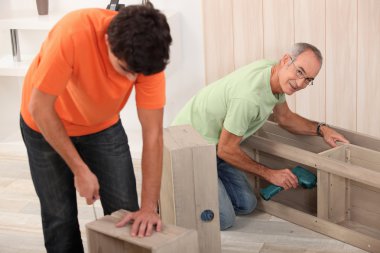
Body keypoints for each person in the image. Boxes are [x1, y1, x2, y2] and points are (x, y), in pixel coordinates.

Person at [20, 3, 172, 252]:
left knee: (126, 210)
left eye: (138, 74)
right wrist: (80, 169)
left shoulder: (148, 57)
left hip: (101, 125)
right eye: (125, 70)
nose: (132, 80)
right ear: (107, 41)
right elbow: (40, 108)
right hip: (43, 122)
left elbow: (153, 135)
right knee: (60, 218)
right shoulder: (74, 34)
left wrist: (148, 207)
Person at [172, 43, 349, 230]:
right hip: (189, 146)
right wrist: (270, 174)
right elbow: (227, 149)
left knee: (247, 204)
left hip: (216, 146)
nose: (300, 83)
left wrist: (322, 129)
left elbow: (285, 118)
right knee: (224, 220)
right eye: (299, 72)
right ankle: (179, 190)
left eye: (308, 79)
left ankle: (208, 182)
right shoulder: (248, 97)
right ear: (285, 60)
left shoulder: (273, 74)